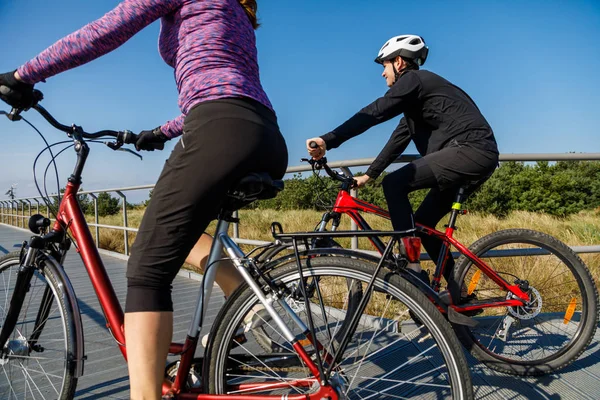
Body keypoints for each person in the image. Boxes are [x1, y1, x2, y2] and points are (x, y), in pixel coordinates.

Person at [0, 1, 288, 398]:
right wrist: (158, 132)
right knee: (179, 236)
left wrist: (23, 75)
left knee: (146, 271)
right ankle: (245, 307)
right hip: (263, 132)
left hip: (219, 126)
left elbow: (106, 30)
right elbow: (222, 82)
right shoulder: (236, 9)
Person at [306, 34, 498, 287]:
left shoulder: (414, 80)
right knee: (422, 226)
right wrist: (369, 174)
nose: (382, 74)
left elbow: (375, 112)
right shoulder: (418, 97)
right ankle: (455, 292)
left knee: (394, 184)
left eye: (384, 66)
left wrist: (327, 140)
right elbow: (399, 138)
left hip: (469, 150)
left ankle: (413, 267)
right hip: (475, 155)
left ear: (398, 62)